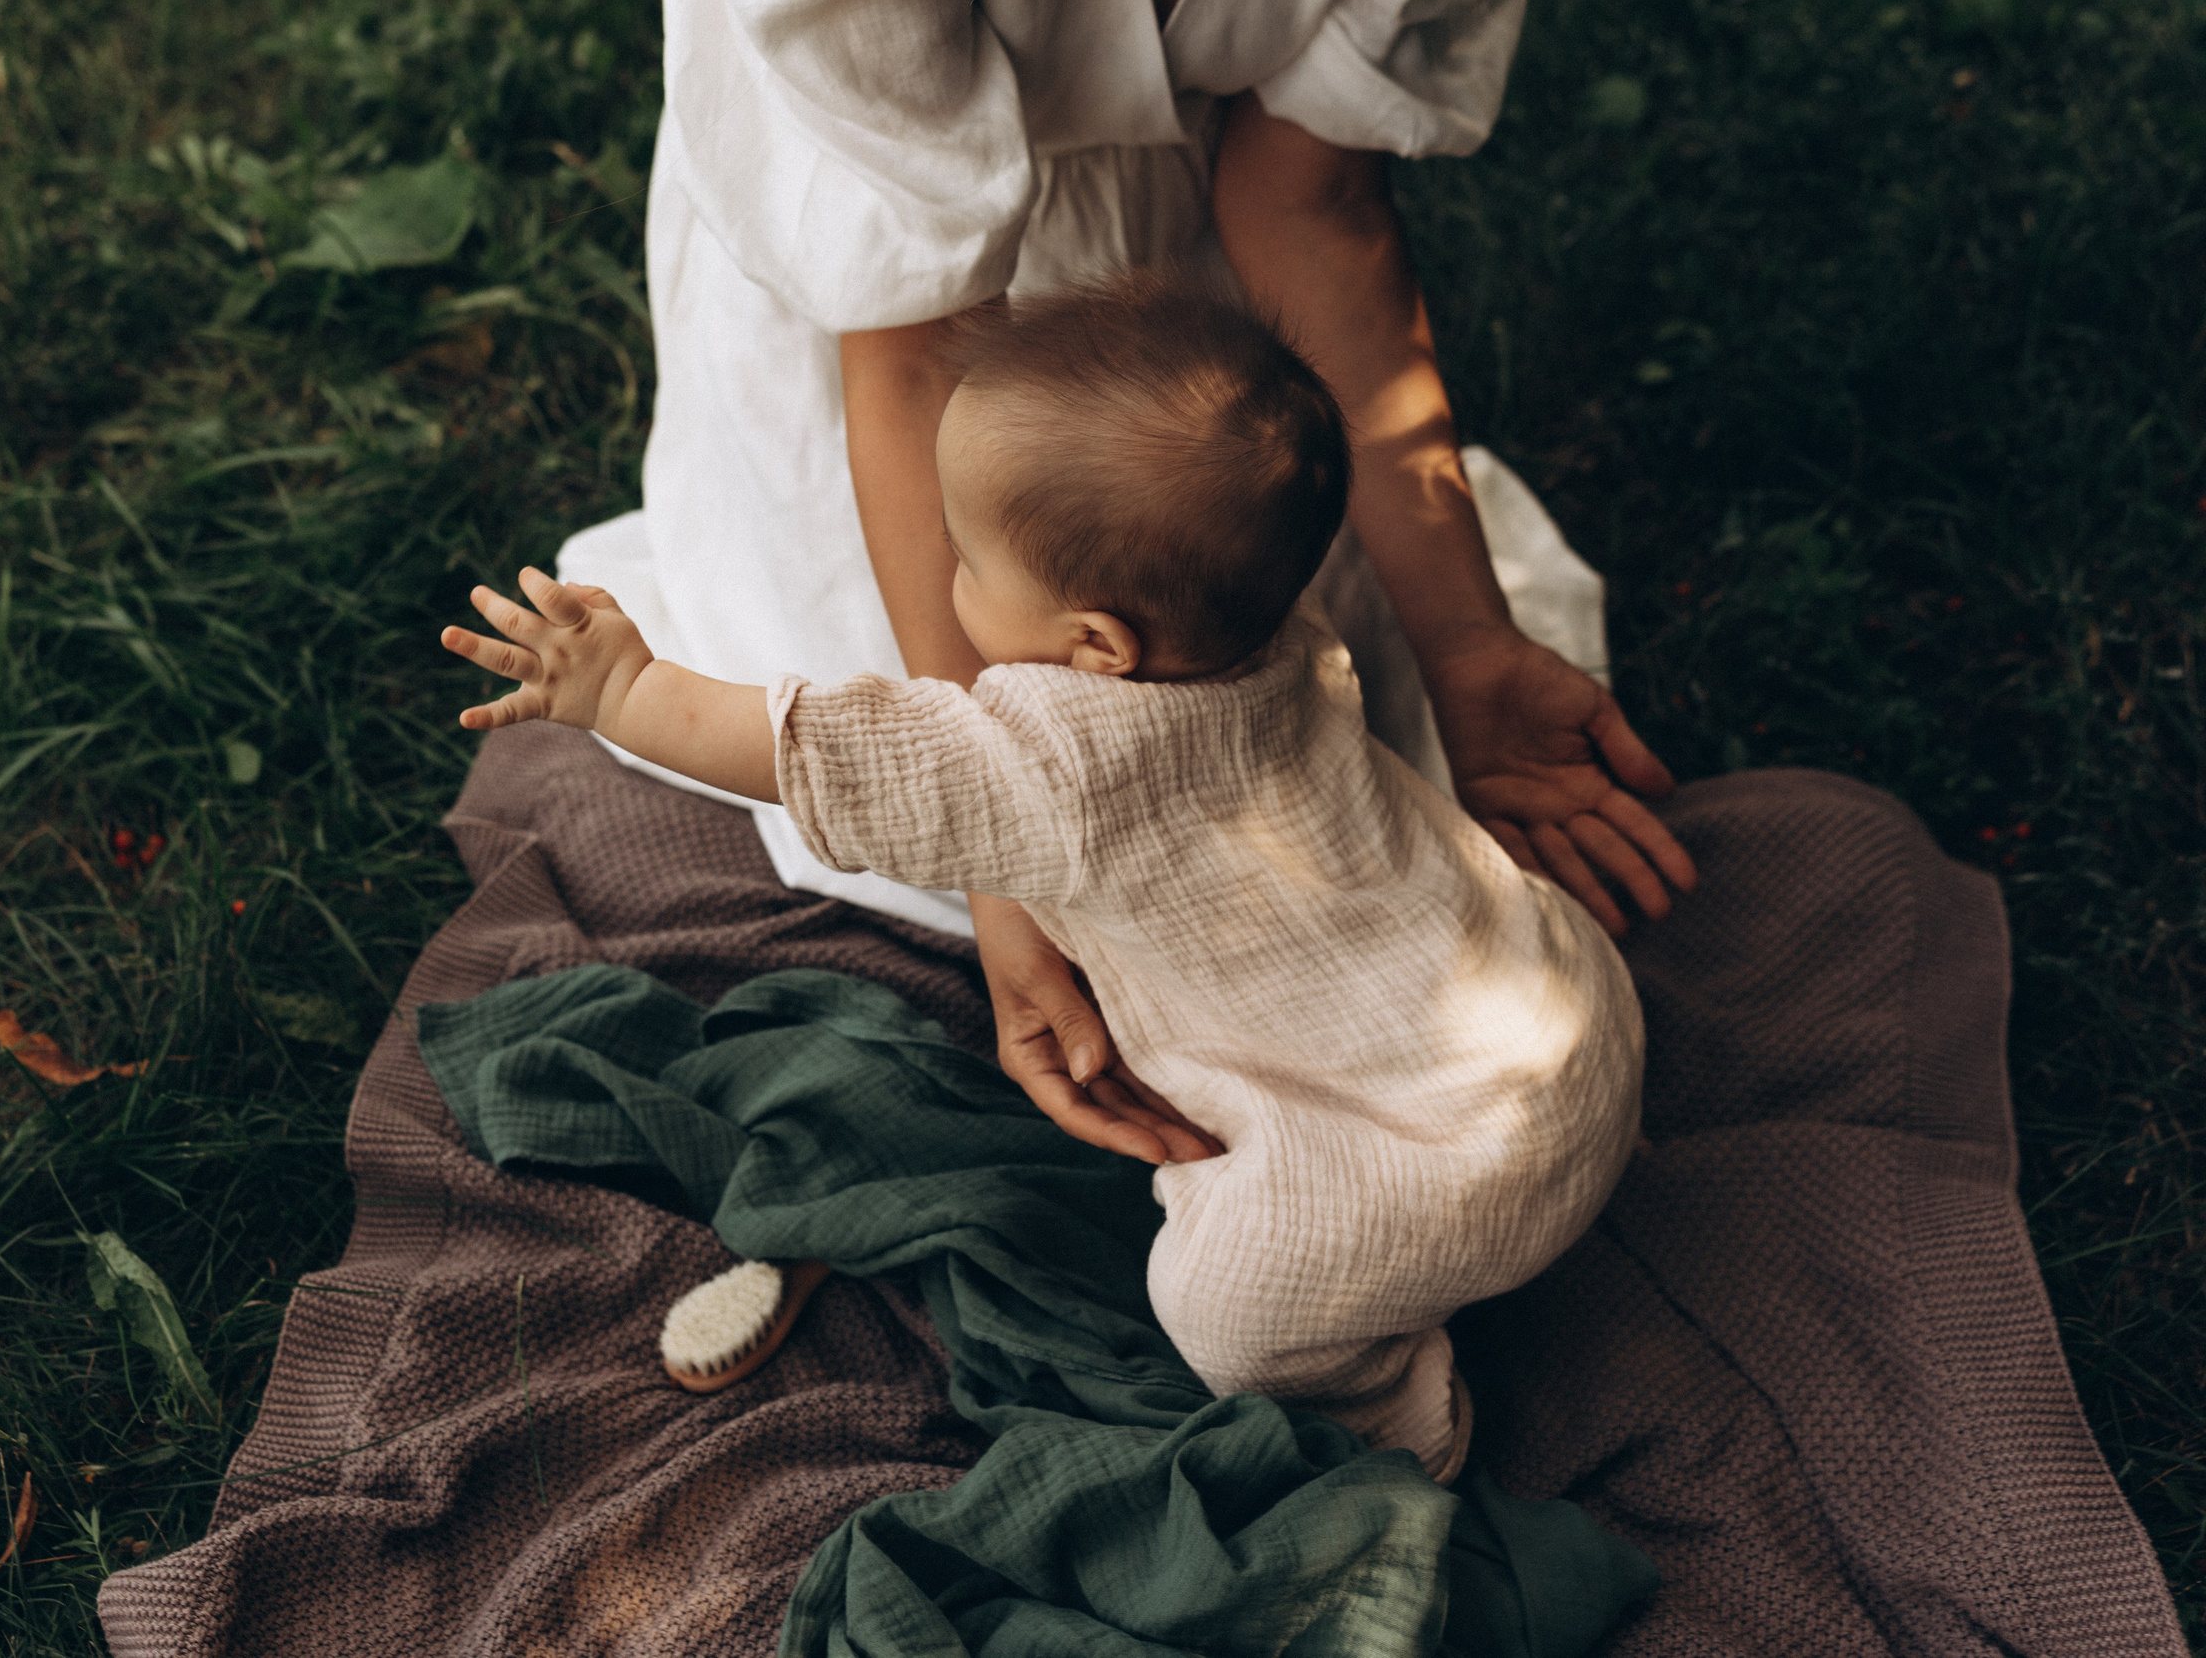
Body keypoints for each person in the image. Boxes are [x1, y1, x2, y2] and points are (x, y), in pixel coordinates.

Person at [440, 275, 1644, 1480]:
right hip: (1574, 1025)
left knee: (1222, 1309)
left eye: (963, 555)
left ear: (1095, 648)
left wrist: (623, 692)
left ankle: (1390, 1415)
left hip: (1430, 1171)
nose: (944, 577)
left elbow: (810, 750)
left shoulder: (1054, 765)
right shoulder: (1280, 628)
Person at [553, 0, 1693, 1167]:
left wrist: (1464, 638)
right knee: (915, 806)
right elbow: (905, 343)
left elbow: (1310, 204)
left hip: (1179, 345)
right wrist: (986, 818)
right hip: (896, 344)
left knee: (1253, 713)